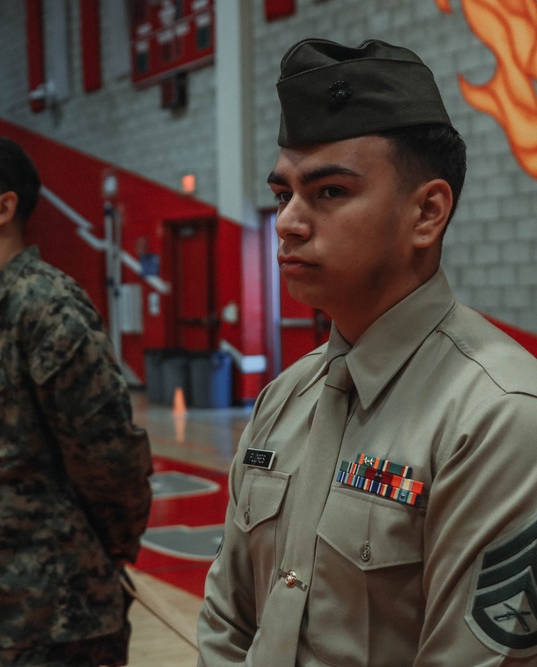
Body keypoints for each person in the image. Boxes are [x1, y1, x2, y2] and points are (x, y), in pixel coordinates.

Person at [196, 39, 537, 666]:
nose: (288, 222)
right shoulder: (284, 397)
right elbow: (227, 618)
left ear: (427, 213)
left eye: (328, 192)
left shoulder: (497, 416)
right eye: (283, 195)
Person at [0, 132, 154, 666]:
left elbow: (110, 458)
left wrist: (110, 549)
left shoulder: (46, 307)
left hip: (55, 617)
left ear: (3, 207)